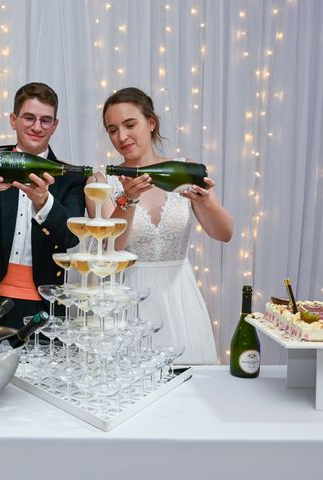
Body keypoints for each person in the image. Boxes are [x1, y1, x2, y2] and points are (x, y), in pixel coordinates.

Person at [88, 87, 233, 364]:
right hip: (127, 301)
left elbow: (224, 233)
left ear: (151, 123)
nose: (121, 137)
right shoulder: (101, 181)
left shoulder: (184, 169)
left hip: (181, 299)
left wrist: (205, 202)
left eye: (130, 125)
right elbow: (111, 249)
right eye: (112, 129)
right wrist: (127, 200)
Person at [0, 82, 87, 329]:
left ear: (55, 126)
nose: (37, 126)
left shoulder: (70, 177)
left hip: (45, 304)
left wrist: (44, 202)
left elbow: (71, 238)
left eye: (46, 120)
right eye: (29, 117)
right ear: (13, 120)